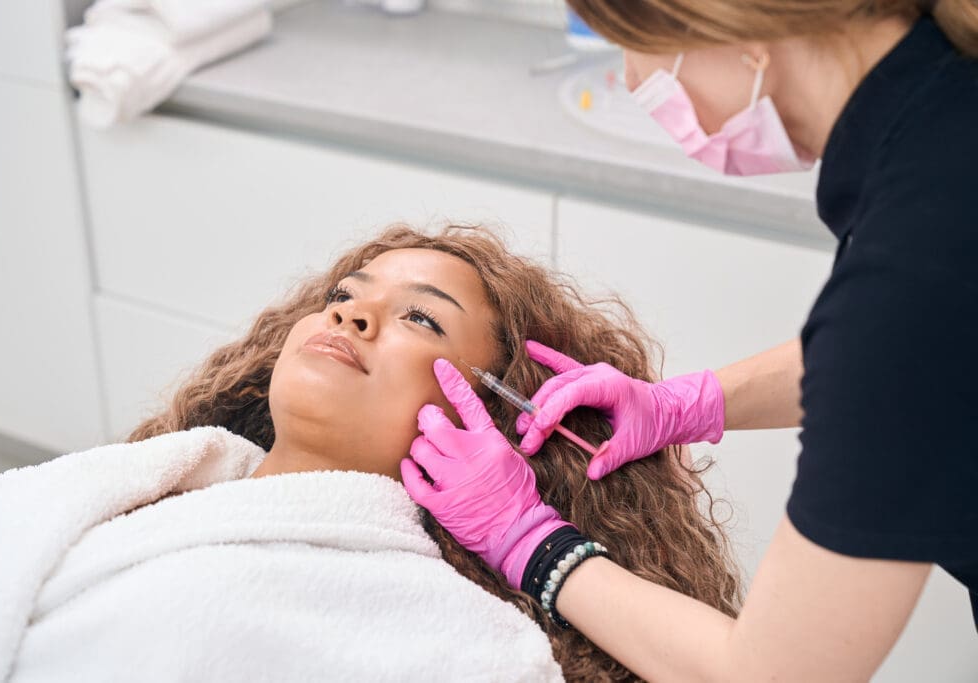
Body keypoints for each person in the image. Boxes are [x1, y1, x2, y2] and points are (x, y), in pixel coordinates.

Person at [403, 1, 978, 681]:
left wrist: (531, 543)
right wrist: (688, 403)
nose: (629, 76)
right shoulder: (944, 134)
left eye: (635, 45)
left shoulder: (919, 255)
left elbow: (775, 674)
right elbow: (922, 362)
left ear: (744, 34)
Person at [0, 225, 738, 682]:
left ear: (498, 422)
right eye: (346, 295)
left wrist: (529, 540)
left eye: (422, 321)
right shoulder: (134, 489)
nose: (354, 315)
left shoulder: (459, 647)